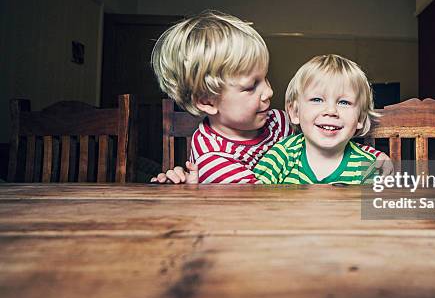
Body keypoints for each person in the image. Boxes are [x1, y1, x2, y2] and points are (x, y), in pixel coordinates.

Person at [150, 11, 389, 184]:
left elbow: (328, 142)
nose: (269, 92)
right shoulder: (211, 156)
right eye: (251, 86)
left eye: (265, 78)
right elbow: (259, 203)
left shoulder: (278, 121)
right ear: (208, 101)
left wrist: (376, 158)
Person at [253, 54, 379, 184]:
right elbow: (253, 198)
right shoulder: (281, 156)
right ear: (295, 112)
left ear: (360, 118)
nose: (331, 111)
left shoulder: (368, 167)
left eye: (344, 102)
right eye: (317, 100)